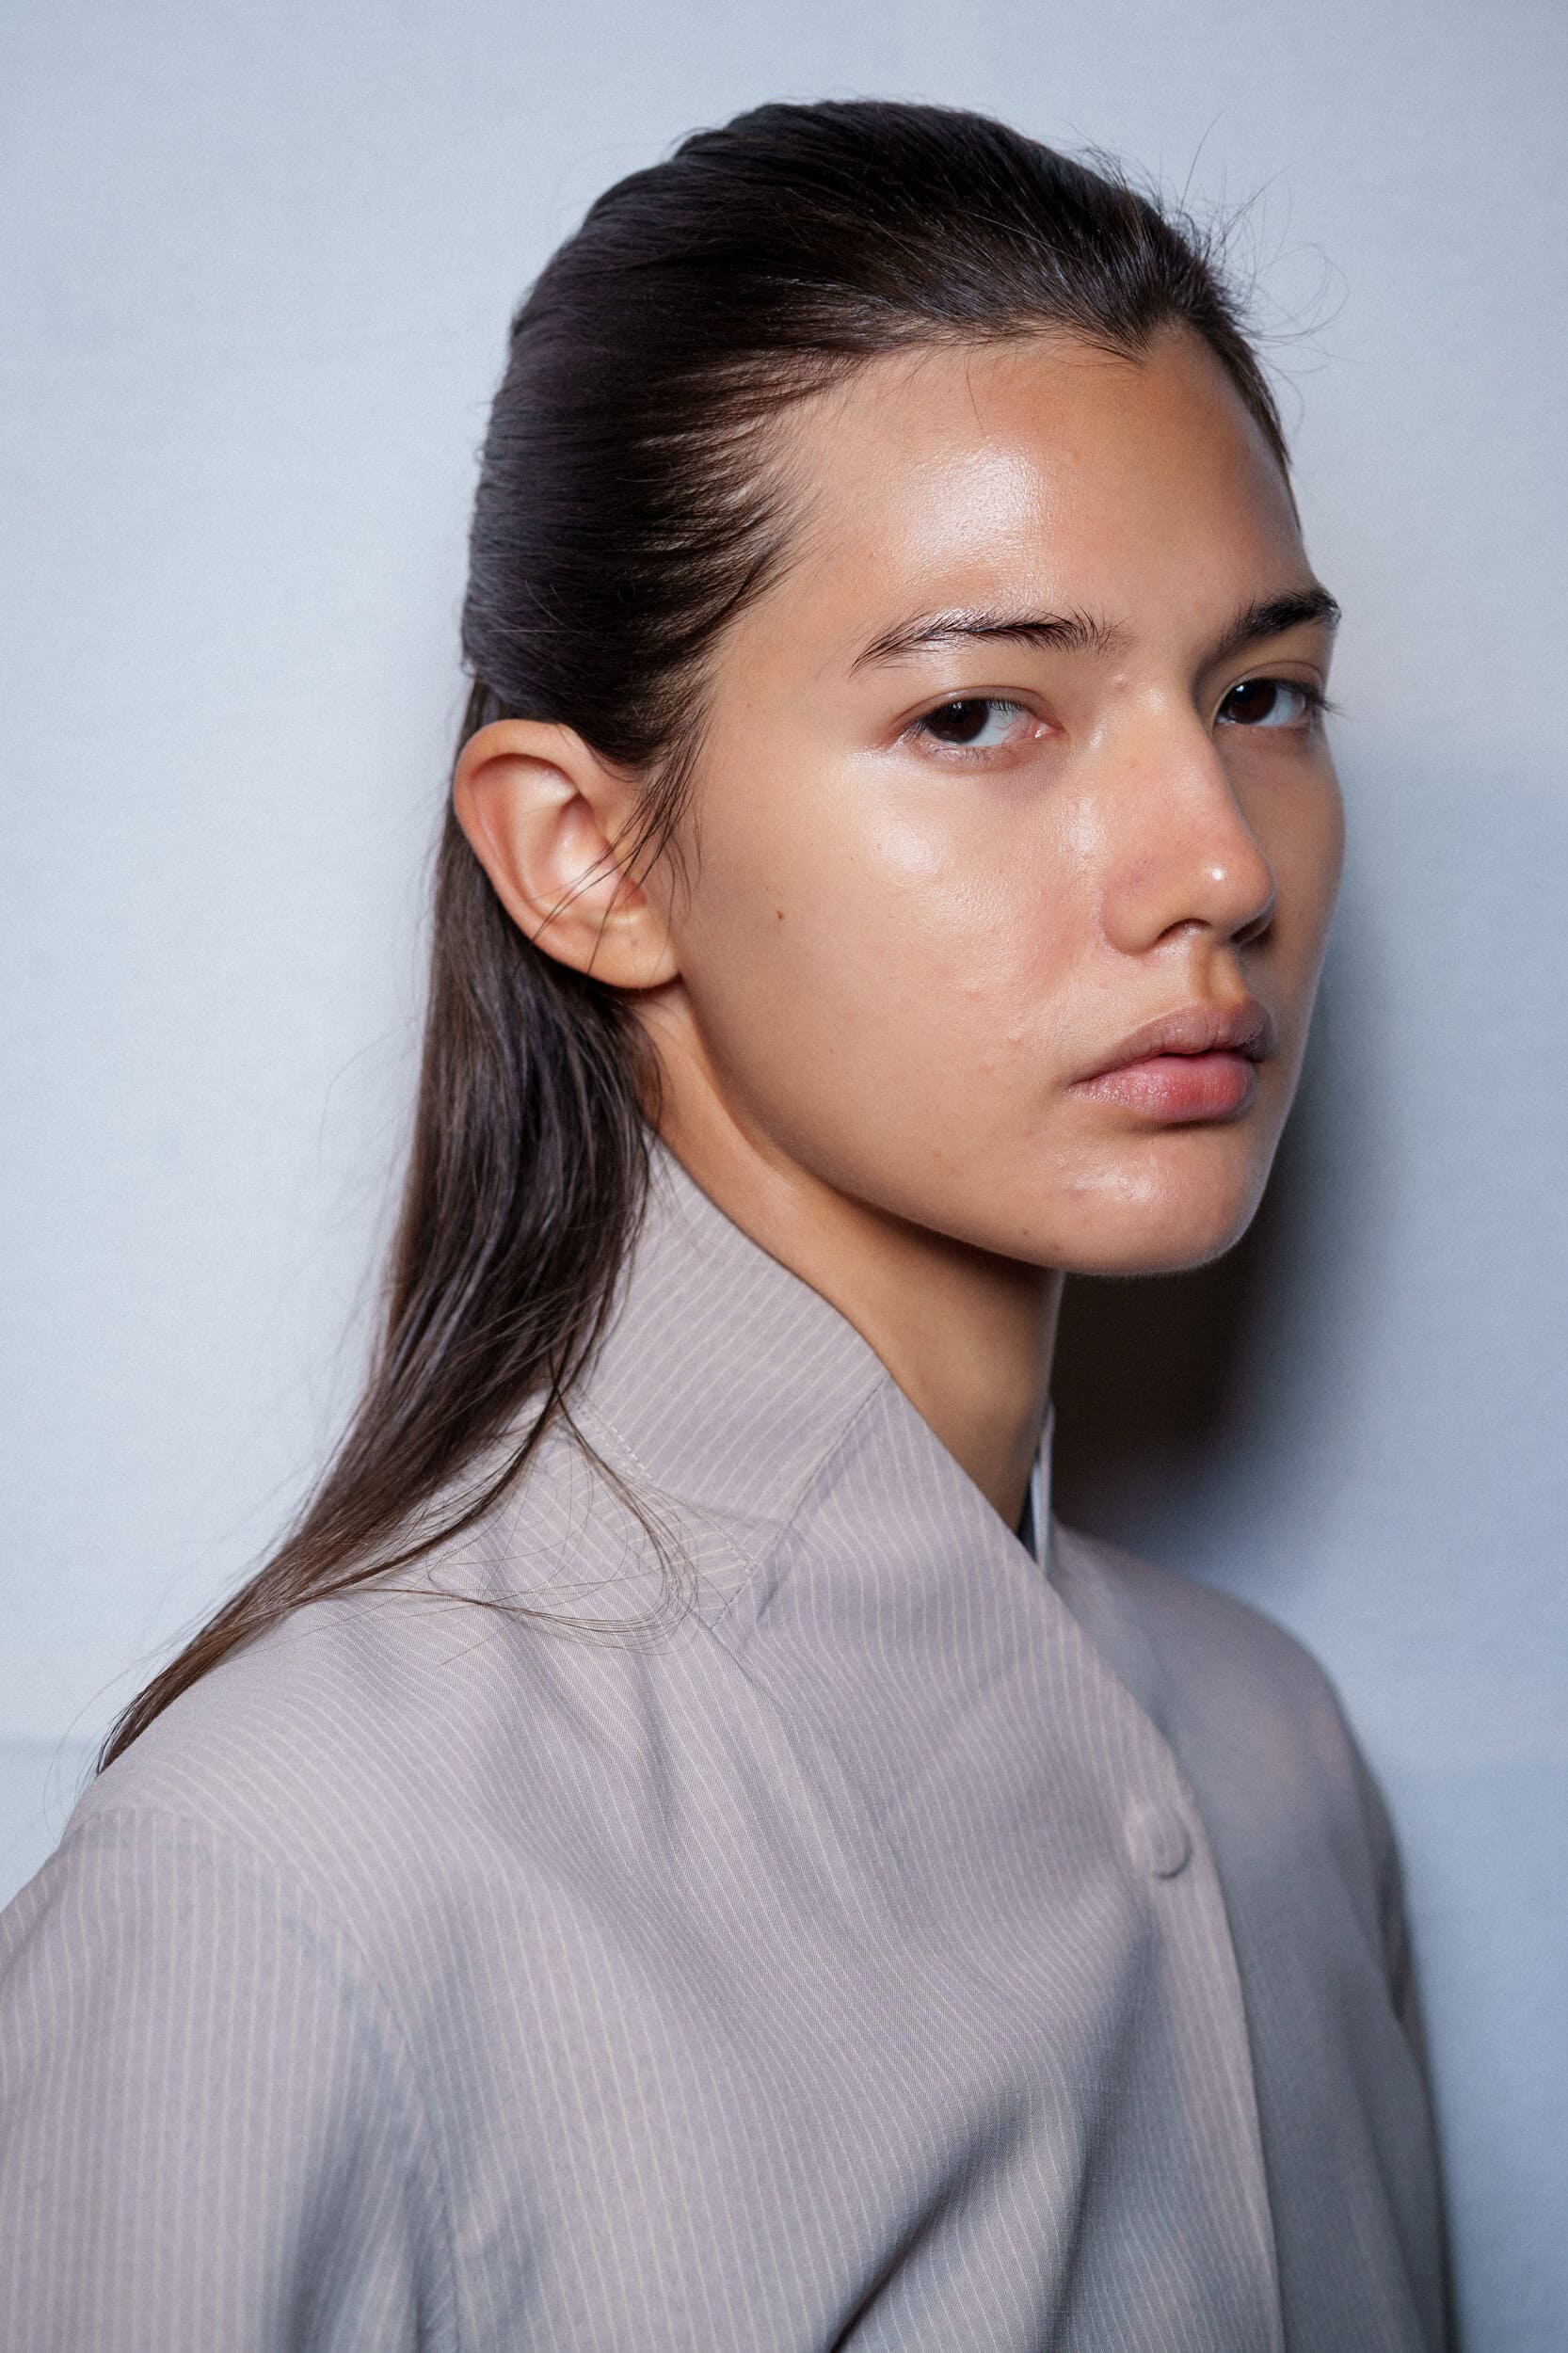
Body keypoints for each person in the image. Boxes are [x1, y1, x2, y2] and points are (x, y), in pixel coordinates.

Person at [0, 97, 1449, 2352]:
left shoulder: (1278, 1763)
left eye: (1258, 694)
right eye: (979, 712)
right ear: (583, 853)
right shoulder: (280, 1882)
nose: (1217, 862)